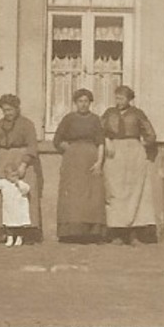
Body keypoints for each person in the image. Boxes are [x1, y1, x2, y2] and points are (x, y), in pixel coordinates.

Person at [102, 85, 160, 245]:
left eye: (122, 98)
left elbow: (151, 134)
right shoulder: (109, 113)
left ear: (129, 99)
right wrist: (107, 141)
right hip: (114, 154)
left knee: (135, 193)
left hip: (134, 154)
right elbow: (99, 131)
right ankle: (117, 234)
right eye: (117, 98)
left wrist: (141, 145)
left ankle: (134, 234)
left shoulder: (137, 114)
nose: (118, 101)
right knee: (115, 192)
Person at [0, 94, 42, 245]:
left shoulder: (27, 124)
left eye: (10, 110)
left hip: (22, 158)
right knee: (2, 196)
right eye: (4, 110)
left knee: (24, 195)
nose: (7, 113)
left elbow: (32, 146)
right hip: (3, 159)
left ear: (17, 109)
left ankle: (27, 231)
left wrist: (24, 164)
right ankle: (5, 230)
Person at [52, 88, 106, 243]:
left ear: (90, 103)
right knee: (73, 195)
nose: (83, 104)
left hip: (91, 160)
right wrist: (69, 150)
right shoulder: (68, 119)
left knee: (92, 195)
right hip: (72, 162)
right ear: (75, 103)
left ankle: (92, 233)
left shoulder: (95, 120)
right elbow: (57, 140)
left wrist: (99, 163)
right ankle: (71, 233)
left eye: (86, 101)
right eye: (80, 101)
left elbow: (101, 142)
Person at [0, 163, 32, 247]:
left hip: (19, 208)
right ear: (7, 176)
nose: (14, 178)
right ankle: (10, 238)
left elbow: (26, 189)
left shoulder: (20, 183)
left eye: (16, 175)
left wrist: (18, 183)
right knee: (8, 225)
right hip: (9, 209)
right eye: (12, 176)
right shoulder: (4, 183)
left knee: (20, 225)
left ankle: (19, 238)